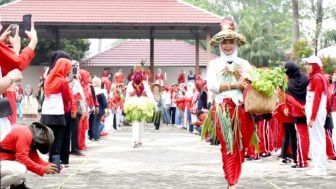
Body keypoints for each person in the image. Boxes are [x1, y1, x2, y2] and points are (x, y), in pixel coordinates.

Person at [205, 18, 254, 189]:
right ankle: (231, 181)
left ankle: (234, 178)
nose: (227, 46)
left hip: (242, 110)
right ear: (220, 44)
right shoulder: (214, 64)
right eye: (224, 42)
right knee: (228, 146)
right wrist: (233, 85)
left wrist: (247, 81)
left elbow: (253, 85)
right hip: (223, 110)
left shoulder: (244, 64)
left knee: (241, 146)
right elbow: (211, 86)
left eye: (230, 42)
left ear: (236, 44)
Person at [0, 122, 57, 189]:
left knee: (22, 166)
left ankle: (18, 185)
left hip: (3, 162)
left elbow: (35, 159)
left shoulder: (29, 134)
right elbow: (22, 159)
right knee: (20, 169)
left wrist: (50, 166)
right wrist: (43, 169)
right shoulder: (25, 134)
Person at [303, 56, 329, 176]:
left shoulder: (318, 78)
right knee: (318, 140)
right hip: (315, 111)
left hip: (316, 112)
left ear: (316, 66)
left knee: (317, 140)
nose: (307, 66)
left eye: (310, 64)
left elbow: (317, 99)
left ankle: (320, 168)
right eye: (306, 64)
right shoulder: (316, 77)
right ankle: (319, 166)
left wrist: (312, 117)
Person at [283, 61, 310, 168]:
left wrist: (301, 107)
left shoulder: (289, 83)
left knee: (302, 137)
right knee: (309, 137)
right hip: (310, 110)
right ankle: (307, 160)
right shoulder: (307, 78)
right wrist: (307, 107)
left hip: (298, 113)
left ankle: (302, 161)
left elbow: (290, 99)